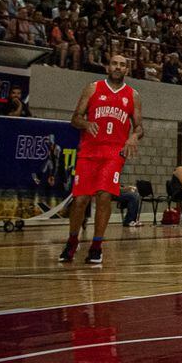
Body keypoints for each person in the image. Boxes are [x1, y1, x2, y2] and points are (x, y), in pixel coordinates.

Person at [59, 54, 143, 264]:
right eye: (114, 63)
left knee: (104, 195)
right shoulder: (93, 88)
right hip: (89, 151)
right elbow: (75, 118)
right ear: (108, 66)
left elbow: (139, 126)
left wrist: (134, 135)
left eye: (122, 65)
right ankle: (72, 240)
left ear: (127, 70)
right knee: (80, 200)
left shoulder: (133, 95)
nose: (118, 67)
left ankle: (97, 245)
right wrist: (86, 125)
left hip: (114, 153)